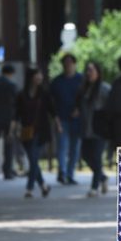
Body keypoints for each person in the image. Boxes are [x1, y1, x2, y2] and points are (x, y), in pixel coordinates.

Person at [15, 66, 59, 199]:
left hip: (41, 131)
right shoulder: (22, 95)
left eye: (40, 75)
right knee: (33, 160)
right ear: (30, 77)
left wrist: (58, 125)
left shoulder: (44, 93)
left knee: (33, 159)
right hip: (26, 131)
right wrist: (12, 129)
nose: (39, 77)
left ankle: (29, 188)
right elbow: (16, 113)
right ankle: (44, 185)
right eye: (37, 75)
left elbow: (53, 111)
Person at [77, 60, 111, 197]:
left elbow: (111, 107)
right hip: (86, 128)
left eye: (91, 70)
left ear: (98, 72)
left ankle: (94, 187)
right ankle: (102, 177)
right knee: (85, 155)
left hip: (99, 129)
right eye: (87, 70)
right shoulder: (84, 88)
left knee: (96, 157)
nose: (88, 73)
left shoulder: (104, 88)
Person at [49, 53, 83, 185]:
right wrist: (55, 118)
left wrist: (79, 110)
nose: (68, 65)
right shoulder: (56, 82)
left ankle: (70, 174)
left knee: (75, 148)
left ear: (74, 64)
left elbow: (86, 98)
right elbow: (51, 102)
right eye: (65, 63)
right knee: (62, 147)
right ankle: (62, 172)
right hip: (61, 118)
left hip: (77, 120)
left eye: (70, 63)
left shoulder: (81, 80)